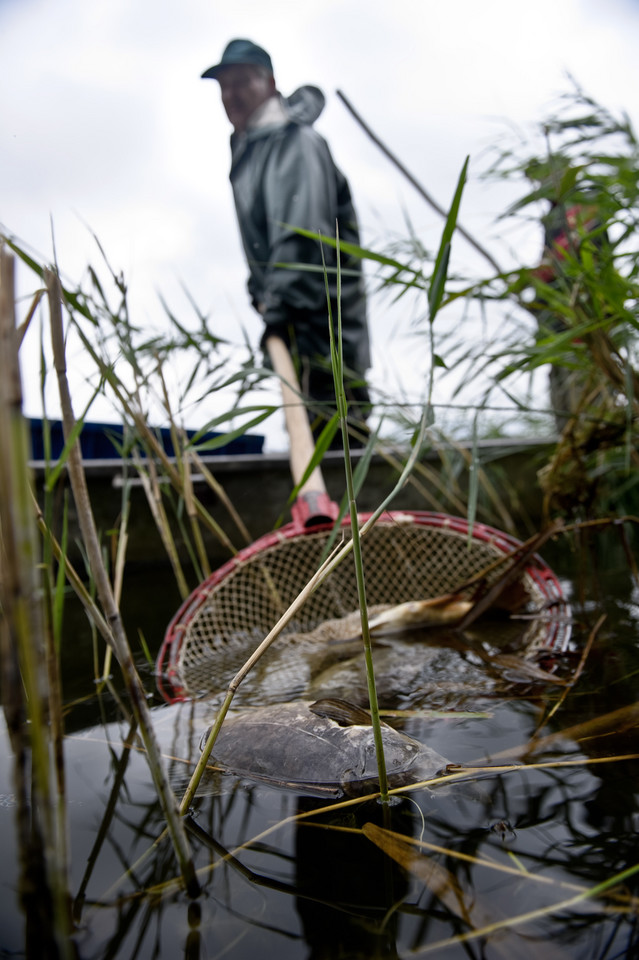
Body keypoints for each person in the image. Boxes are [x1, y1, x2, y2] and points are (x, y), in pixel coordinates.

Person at [201, 38, 371, 444]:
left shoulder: (292, 142)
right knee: (308, 434)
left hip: (325, 331)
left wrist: (280, 308)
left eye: (242, 82)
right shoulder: (250, 151)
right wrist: (261, 294)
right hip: (294, 327)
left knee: (339, 440)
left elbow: (303, 241)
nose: (232, 94)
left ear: (271, 84)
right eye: (224, 86)